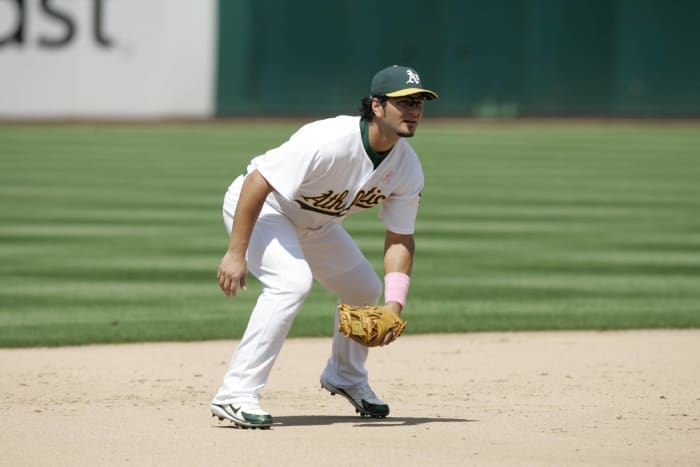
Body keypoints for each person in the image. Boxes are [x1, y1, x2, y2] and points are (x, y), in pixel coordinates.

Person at [210, 65, 438, 429]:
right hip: (264, 208)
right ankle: (235, 393)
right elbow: (258, 181)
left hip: (314, 222)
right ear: (377, 106)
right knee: (291, 282)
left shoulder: (407, 166)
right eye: (404, 103)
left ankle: (345, 376)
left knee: (363, 288)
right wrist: (236, 252)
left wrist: (393, 307)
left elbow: (400, 237)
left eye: (418, 103)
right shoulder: (328, 140)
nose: (413, 110)